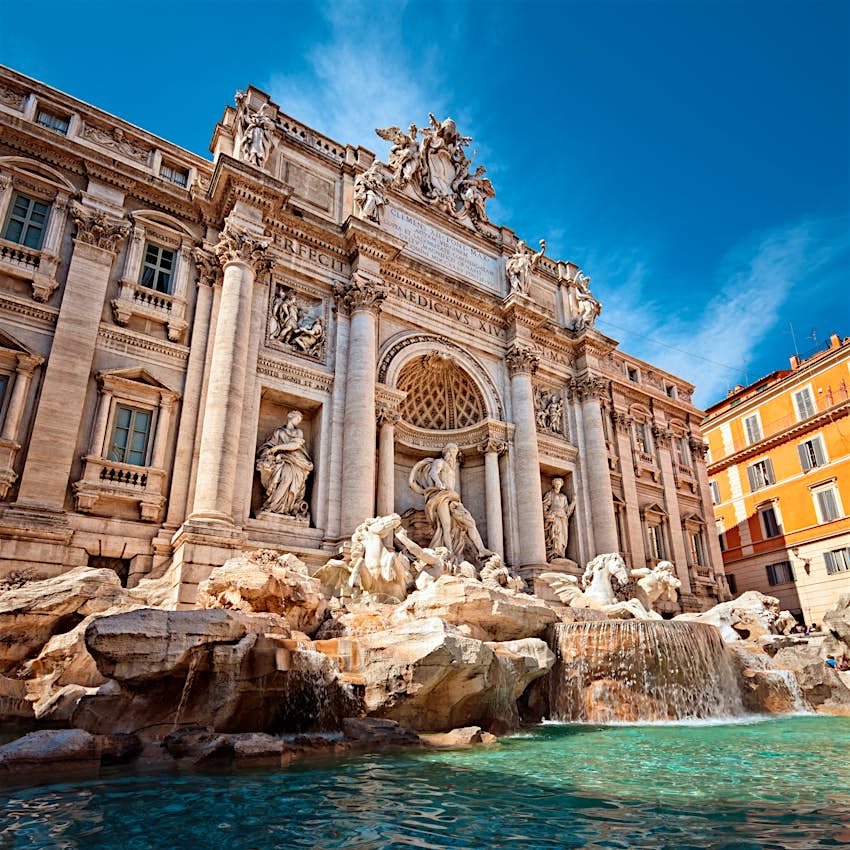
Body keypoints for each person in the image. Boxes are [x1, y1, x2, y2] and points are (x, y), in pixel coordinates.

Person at [255, 410, 314, 517]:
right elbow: (269, 445)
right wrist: (268, 452)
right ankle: (272, 506)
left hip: (295, 461)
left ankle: (283, 507)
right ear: (291, 417)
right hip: (281, 460)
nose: (298, 421)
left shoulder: (298, 432)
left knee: (288, 479)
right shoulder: (278, 432)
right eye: (297, 418)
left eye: (300, 420)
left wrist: (277, 448)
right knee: (282, 478)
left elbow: (295, 445)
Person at [541, 477, 576, 560]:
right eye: (556, 484)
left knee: (562, 536)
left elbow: (568, 511)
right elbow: (544, 506)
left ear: (561, 485)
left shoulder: (563, 497)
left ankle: (560, 552)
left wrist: (574, 502)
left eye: (559, 484)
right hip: (554, 517)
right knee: (555, 534)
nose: (557, 485)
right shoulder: (550, 494)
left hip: (563, 518)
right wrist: (548, 515)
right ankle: (554, 553)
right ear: (553, 485)